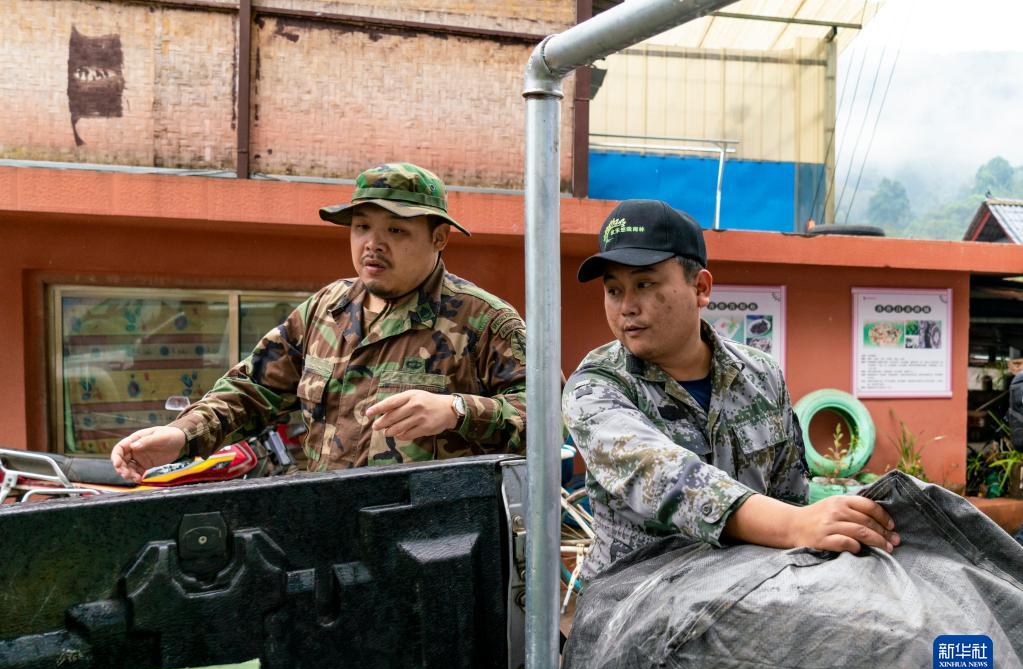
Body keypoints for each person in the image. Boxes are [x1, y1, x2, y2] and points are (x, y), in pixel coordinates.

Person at [111, 162, 527, 481]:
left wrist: (457, 410)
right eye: (361, 227)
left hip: (435, 540)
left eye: (396, 230)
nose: (373, 244)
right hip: (328, 526)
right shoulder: (326, 310)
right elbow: (252, 389)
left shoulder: (484, 321)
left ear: (439, 238)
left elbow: (546, 423)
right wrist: (183, 435)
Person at [563, 199, 900, 580]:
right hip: (636, 599)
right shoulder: (595, 387)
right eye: (613, 290)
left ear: (700, 287)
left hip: (751, 588)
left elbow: (790, 492)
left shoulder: (761, 376)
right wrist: (794, 525)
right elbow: (663, 476)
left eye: (644, 284)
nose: (626, 306)